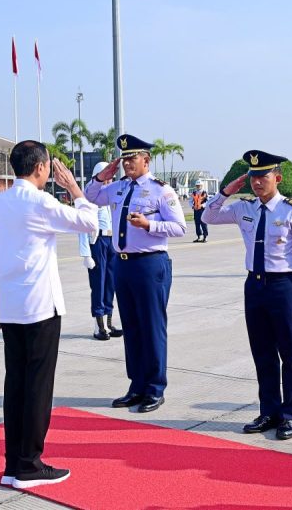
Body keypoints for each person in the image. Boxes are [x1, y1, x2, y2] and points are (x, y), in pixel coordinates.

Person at [0, 141, 98, 489]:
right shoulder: (40, 201)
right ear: (41, 168)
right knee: (37, 388)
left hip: (11, 308)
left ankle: (12, 463)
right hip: (41, 308)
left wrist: (1, 295)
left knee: (15, 384)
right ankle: (29, 465)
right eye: (49, 166)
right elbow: (89, 222)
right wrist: (74, 187)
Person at [201, 150, 292, 441]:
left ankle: (288, 415)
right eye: (252, 177)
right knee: (262, 353)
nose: (257, 183)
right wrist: (227, 190)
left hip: (284, 287)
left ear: (276, 178)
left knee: (290, 354)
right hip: (255, 286)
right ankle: (269, 411)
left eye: (263, 176)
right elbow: (207, 215)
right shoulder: (244, 208)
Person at [84, 134, 187, 413]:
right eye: (125, 158)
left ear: (146, 160)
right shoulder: (116, 187)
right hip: (123, 264)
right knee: (131, 326)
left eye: (133, 158)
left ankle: (155, 388)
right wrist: (100, 176)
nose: (128, 163)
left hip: (150, 264)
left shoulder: (161, 191)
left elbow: (179, 227)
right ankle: (136, 386)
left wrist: (149, 225)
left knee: (152, 327)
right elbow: (89, 196)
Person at [79, 161, 123, 341]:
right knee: (99, 283)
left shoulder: (112, 194)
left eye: (111, 177)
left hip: (111, 242)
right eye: (106, 177)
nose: (109, 180)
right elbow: (82, 226)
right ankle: (99, 326)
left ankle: (109, 322)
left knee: (111, 283)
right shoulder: (89, 197)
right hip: (97, 242)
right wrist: (85, 253)